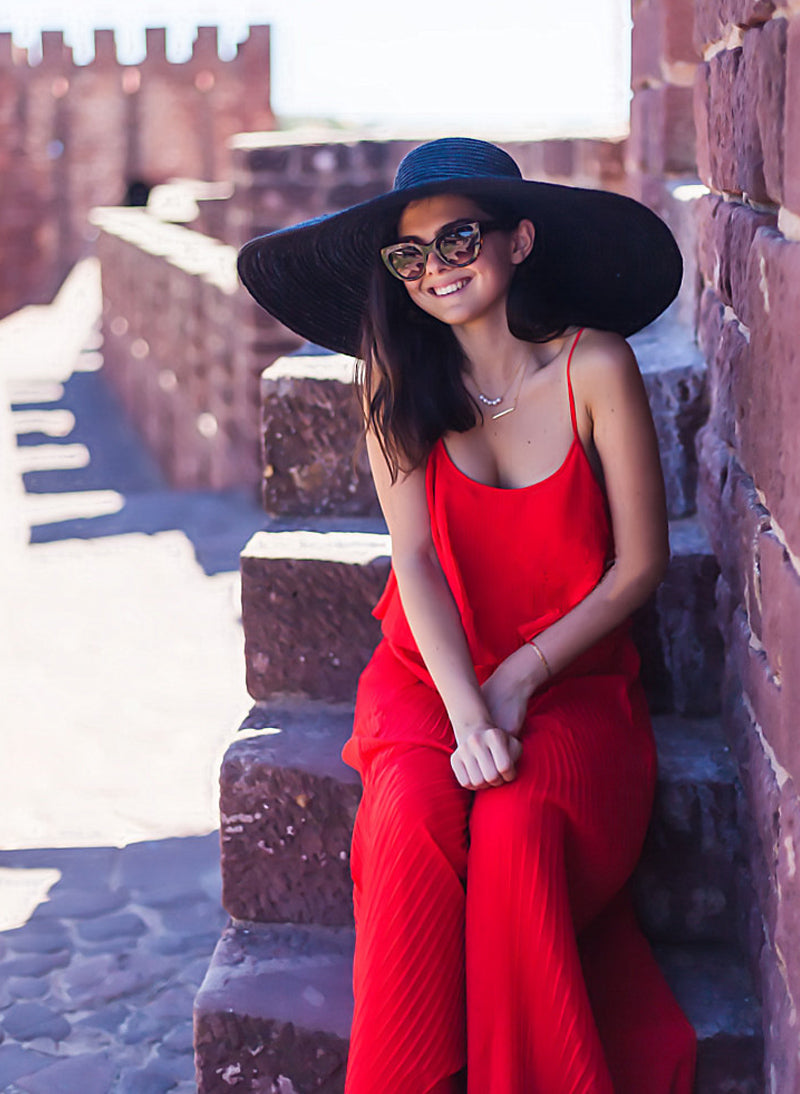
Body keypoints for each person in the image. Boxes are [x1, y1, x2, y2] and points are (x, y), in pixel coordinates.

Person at [238, 138, 698, 1094]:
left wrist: (520, 679)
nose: (436, 270)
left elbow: (641, 565)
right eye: (409, 257)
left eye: (457, 241)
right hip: (428, 675)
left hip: (569, 678)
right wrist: (467, 711)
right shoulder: (392, 384)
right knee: (407, 813)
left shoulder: (594, 367)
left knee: (521, 829)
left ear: (518, 239)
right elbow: (413, 558)